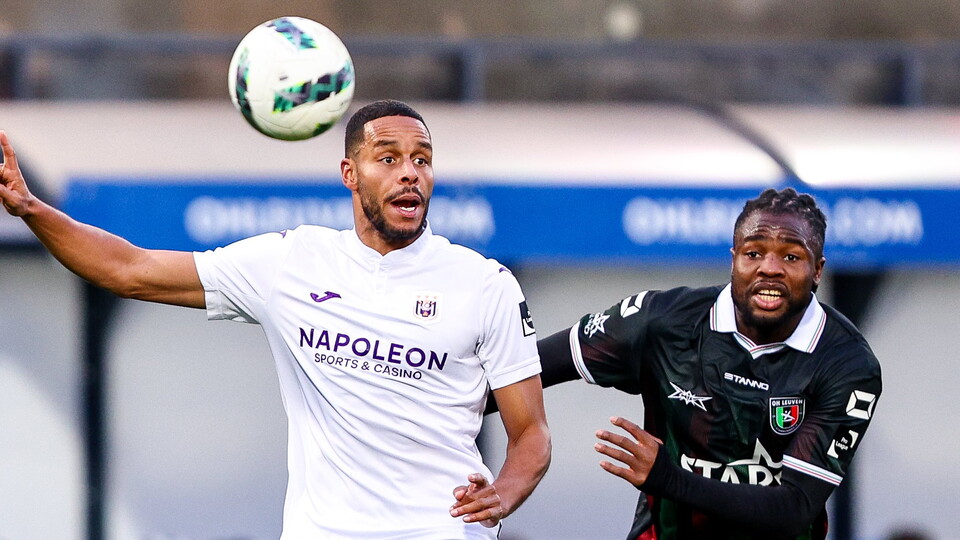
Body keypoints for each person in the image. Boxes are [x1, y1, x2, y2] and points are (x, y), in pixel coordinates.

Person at [0, 99, 551, 539]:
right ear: (350, 173)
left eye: (422, 160)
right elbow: (130, 269)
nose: (410, 173)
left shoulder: (485, 285)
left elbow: (531, 434)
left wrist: (503, 495)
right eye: (388, 158)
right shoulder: (293, 262)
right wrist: (31, 208)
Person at [528, 188, 882, 539]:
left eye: (791, 257)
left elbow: (794, 508)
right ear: (734, 259)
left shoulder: (847, 364)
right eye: (753, 253)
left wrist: (669, 479)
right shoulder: (661, 321)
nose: (770, 269)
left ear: (817, 270)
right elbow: (525, 369)